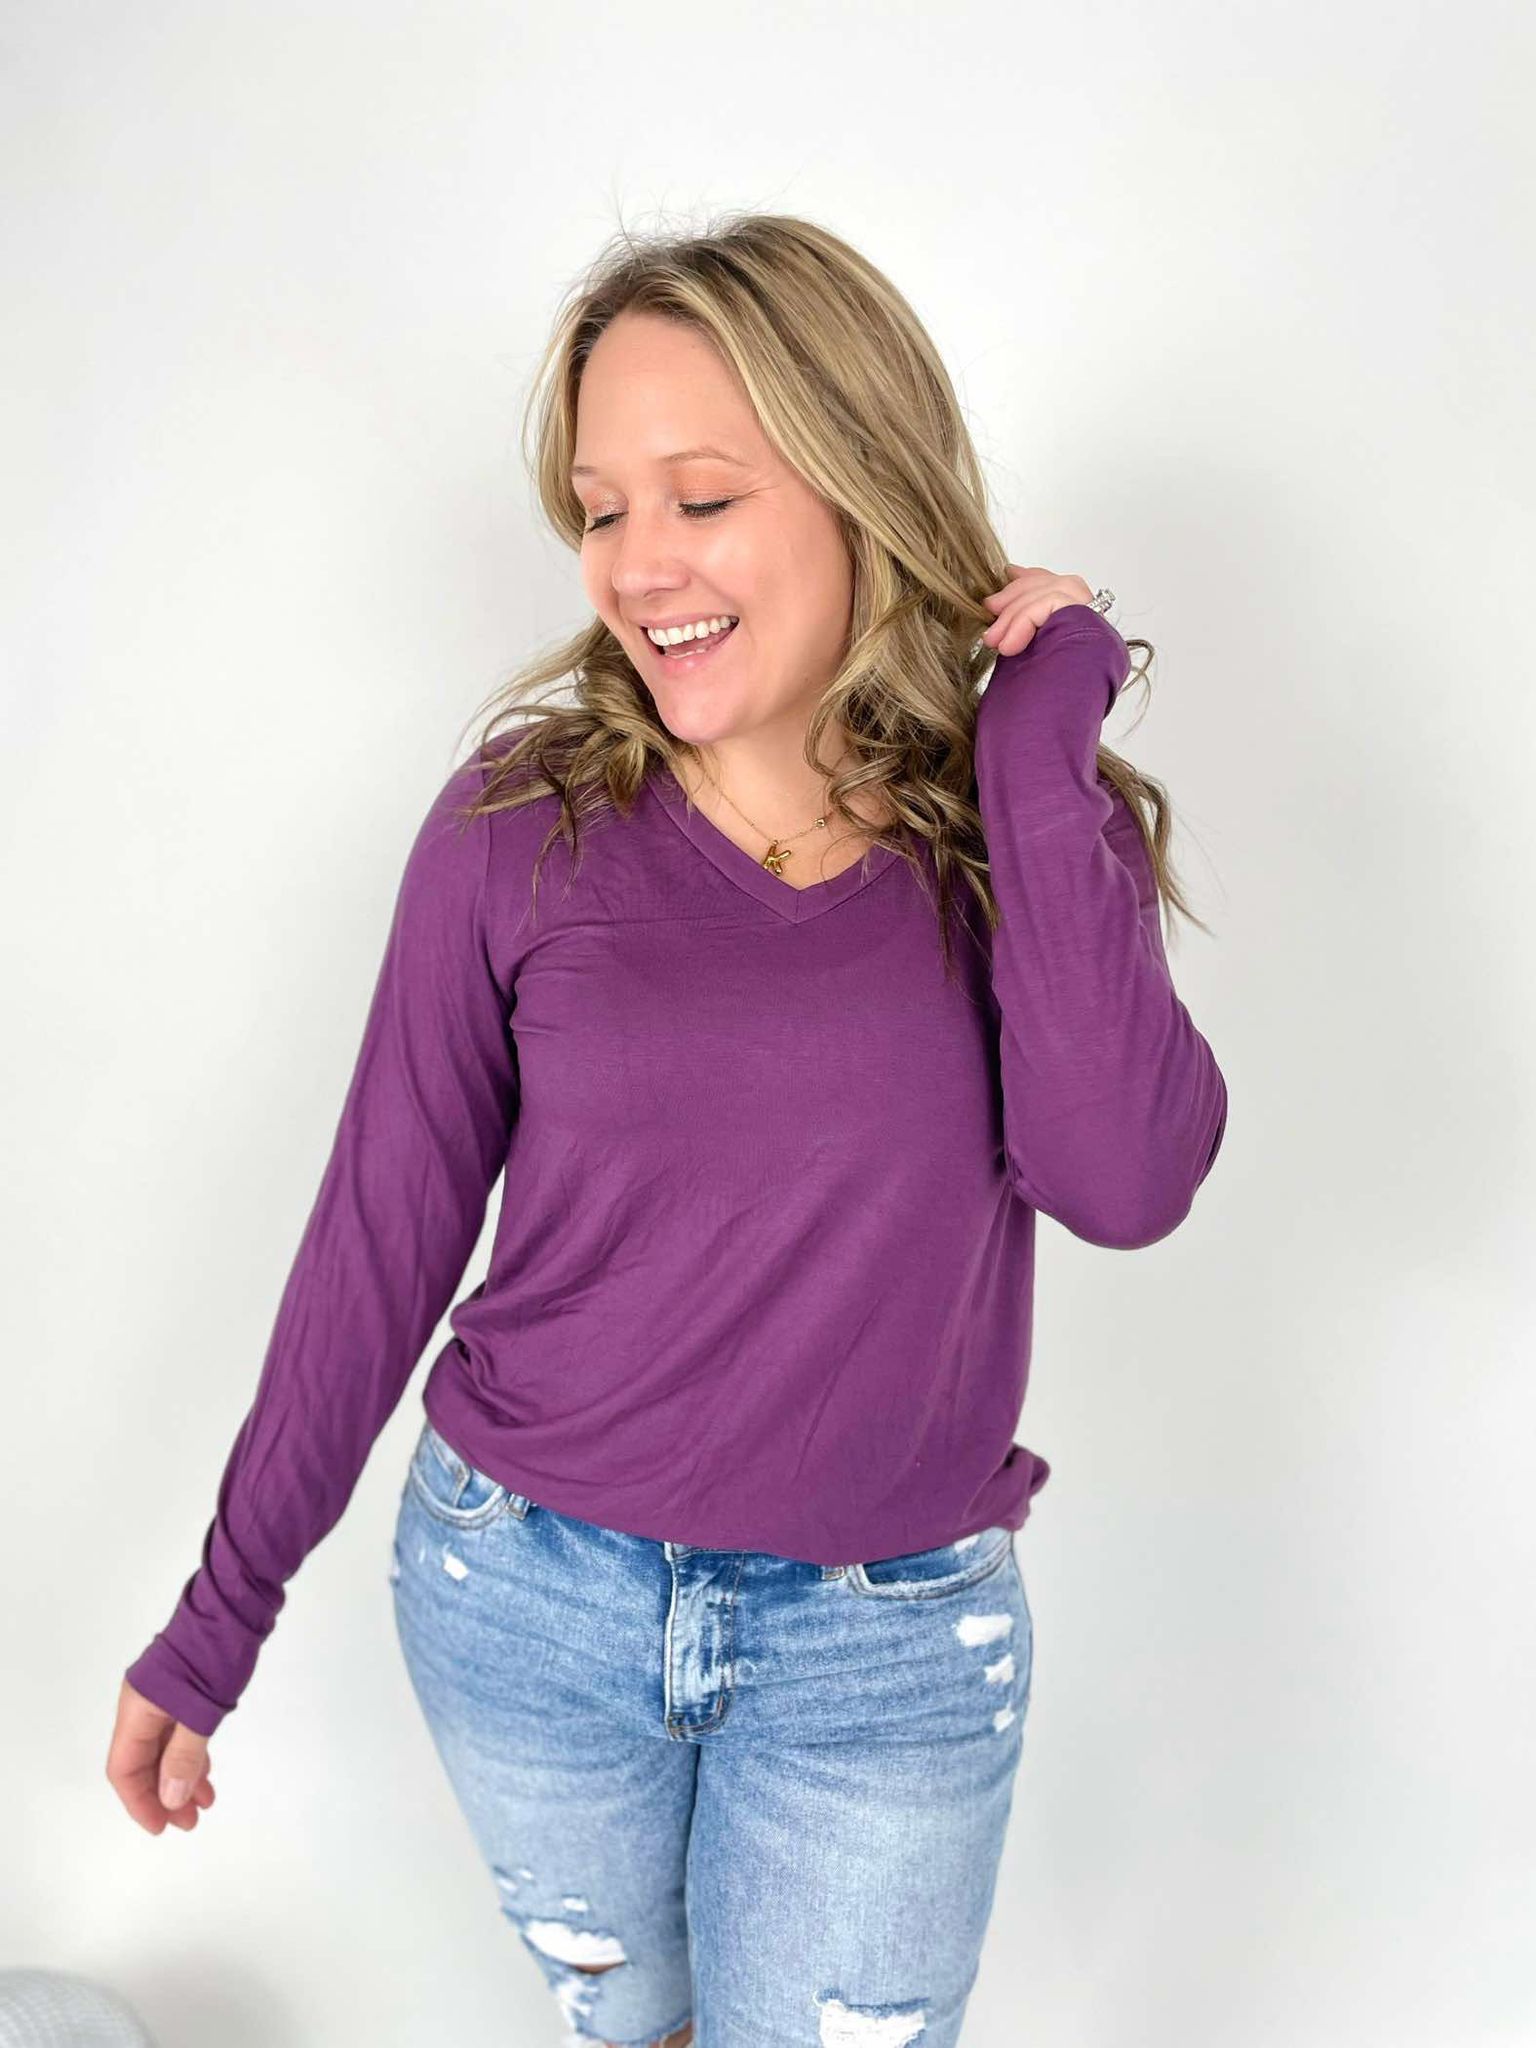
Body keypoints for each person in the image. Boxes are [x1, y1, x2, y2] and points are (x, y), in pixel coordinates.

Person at [107, 212, 1228, 2046]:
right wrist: (219, 1613)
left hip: (884, 1653)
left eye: (702, 497)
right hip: (521, 1596)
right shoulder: (518, 827)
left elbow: (1124, 1182)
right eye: (600, 507)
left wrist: (1039, 744)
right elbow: (381, 1241)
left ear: (865, 486)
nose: (639, 565)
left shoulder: (1019, 842)